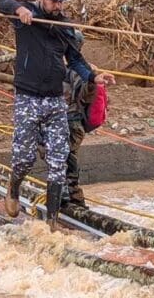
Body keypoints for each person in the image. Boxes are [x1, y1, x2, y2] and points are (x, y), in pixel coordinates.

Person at [0, 0, 114, 230]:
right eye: (53, 1)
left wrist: (94, 76)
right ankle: (13, 188)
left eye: (61, 1)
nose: (58, 6)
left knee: (58, 161)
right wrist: (19, 10)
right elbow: (1, 2)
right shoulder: (26, 13)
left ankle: (52, 221)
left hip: (54, 100)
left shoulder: (64, 27)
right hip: (28, 98)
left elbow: (76, 60)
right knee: (24, 157)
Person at [63, 30, 98, 208]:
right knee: (63, 159)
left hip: (72, 121)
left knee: (68, 160)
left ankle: (75, 202)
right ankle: (68, 199)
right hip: (61, 120)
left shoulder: (79, 70)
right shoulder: (58, 65)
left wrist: (92, 81)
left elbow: (85, 96)